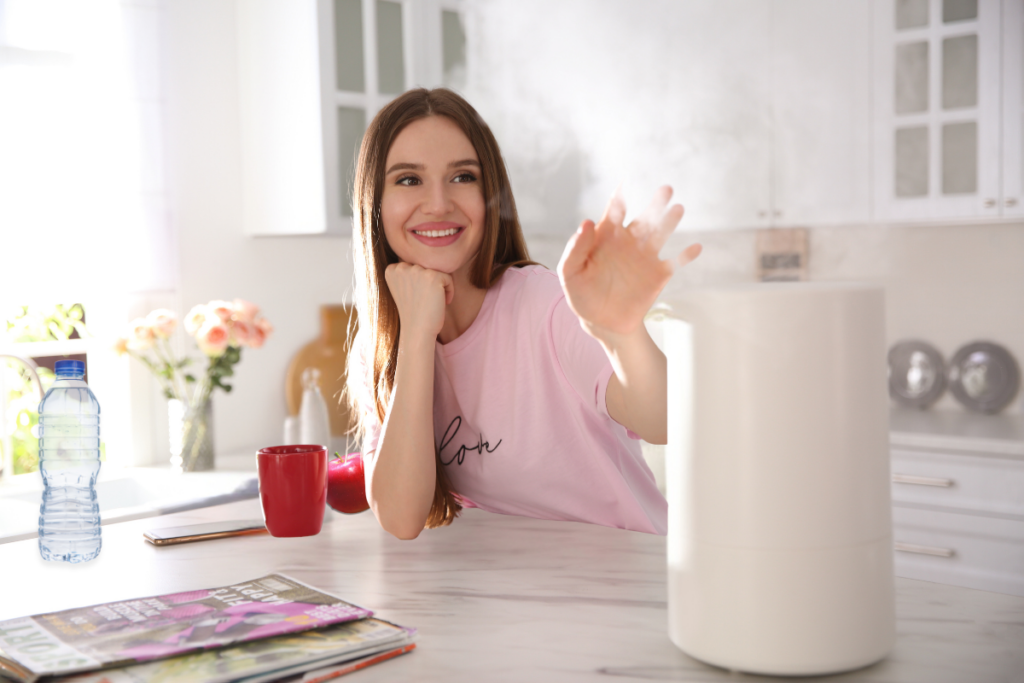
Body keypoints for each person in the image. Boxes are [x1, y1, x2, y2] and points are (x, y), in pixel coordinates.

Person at [346, 88, 702, 540]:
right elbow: (400, 517)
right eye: (409, 180)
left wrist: (622, 332)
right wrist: (417, 336)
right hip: (523, 593)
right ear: (373, 203)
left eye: (462, 177)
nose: (438, 203)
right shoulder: (381, 340)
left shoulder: (547, 307)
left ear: (489, 192)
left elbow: (665, 422)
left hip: (631, 581)